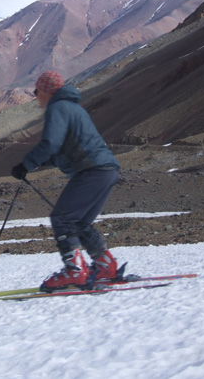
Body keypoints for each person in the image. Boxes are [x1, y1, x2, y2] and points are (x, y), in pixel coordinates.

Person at [11, 70, 121, 292]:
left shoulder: (57, 107)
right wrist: (36, 164)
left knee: (62, 218)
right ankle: (105, 266)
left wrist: (26, 164)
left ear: (46, 90)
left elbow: (51, 143)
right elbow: (63, 149)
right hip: (106, 169)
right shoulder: (73, 108)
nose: (36, 96)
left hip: (91, 170)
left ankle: (75, 272)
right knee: (79, 223)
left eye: (37, 91)